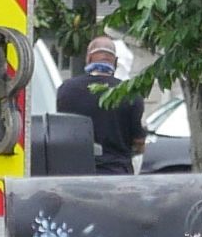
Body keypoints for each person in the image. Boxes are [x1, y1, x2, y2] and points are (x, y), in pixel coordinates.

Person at [52, 35, 143, 173]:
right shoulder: (130, 94)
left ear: (88, 59)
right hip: (117, 175)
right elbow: (139, 143)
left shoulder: (66, 90)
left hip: (76, 174)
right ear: (116, 62)